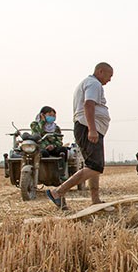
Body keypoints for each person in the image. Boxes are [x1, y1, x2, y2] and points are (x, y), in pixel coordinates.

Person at [46, 62, 113, 210]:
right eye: (109, 76)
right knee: (96, 166)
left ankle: (95, 199)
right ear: (101, 71)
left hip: (88, 127)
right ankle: (58, 192)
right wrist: (92, 129)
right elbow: (88, 105)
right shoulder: (94, 84)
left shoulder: (88, 83)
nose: (109, 80)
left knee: (94, 165)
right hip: (87, 127)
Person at [30, 106, 68, 181]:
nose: (52, 117)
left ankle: (62, 173)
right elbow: (38, 133)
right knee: (43, 153)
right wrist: (42, 122)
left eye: (54, 116)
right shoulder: (34, 125)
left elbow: (59, 140)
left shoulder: (56, 128)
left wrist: (53, 146)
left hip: (52, 148)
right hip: (41, 148)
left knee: (63, 150)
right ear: (42, 115)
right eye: (50, 115)